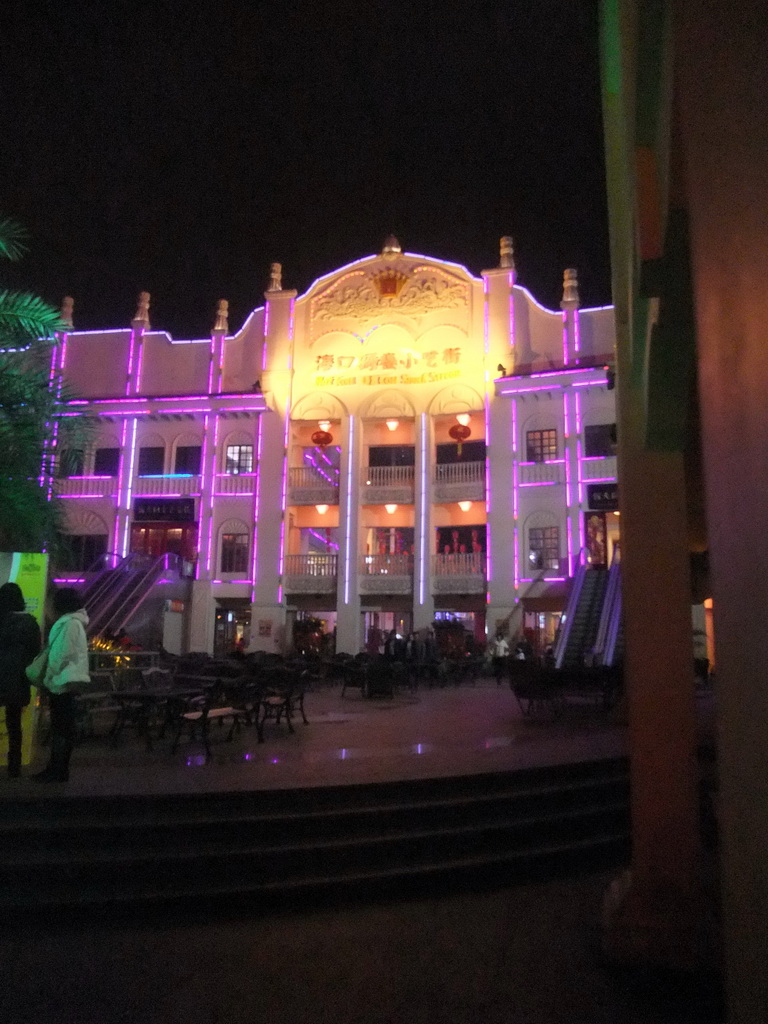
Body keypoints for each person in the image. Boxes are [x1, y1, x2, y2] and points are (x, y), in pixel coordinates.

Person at [33, 587, 90, 783]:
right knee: (62, 727)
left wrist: (50, 674)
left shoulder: (69, 624)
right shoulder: (75, 623)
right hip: (65, 682)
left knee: (61, 728)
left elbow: (60, 654)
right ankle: (57, 769)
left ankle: (57, 770)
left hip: (61, 682)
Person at [0, 582, 42, 779]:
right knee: (14, 722)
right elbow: (35, 650)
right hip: (18, 677)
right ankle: (14, 765)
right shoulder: (30, 623)